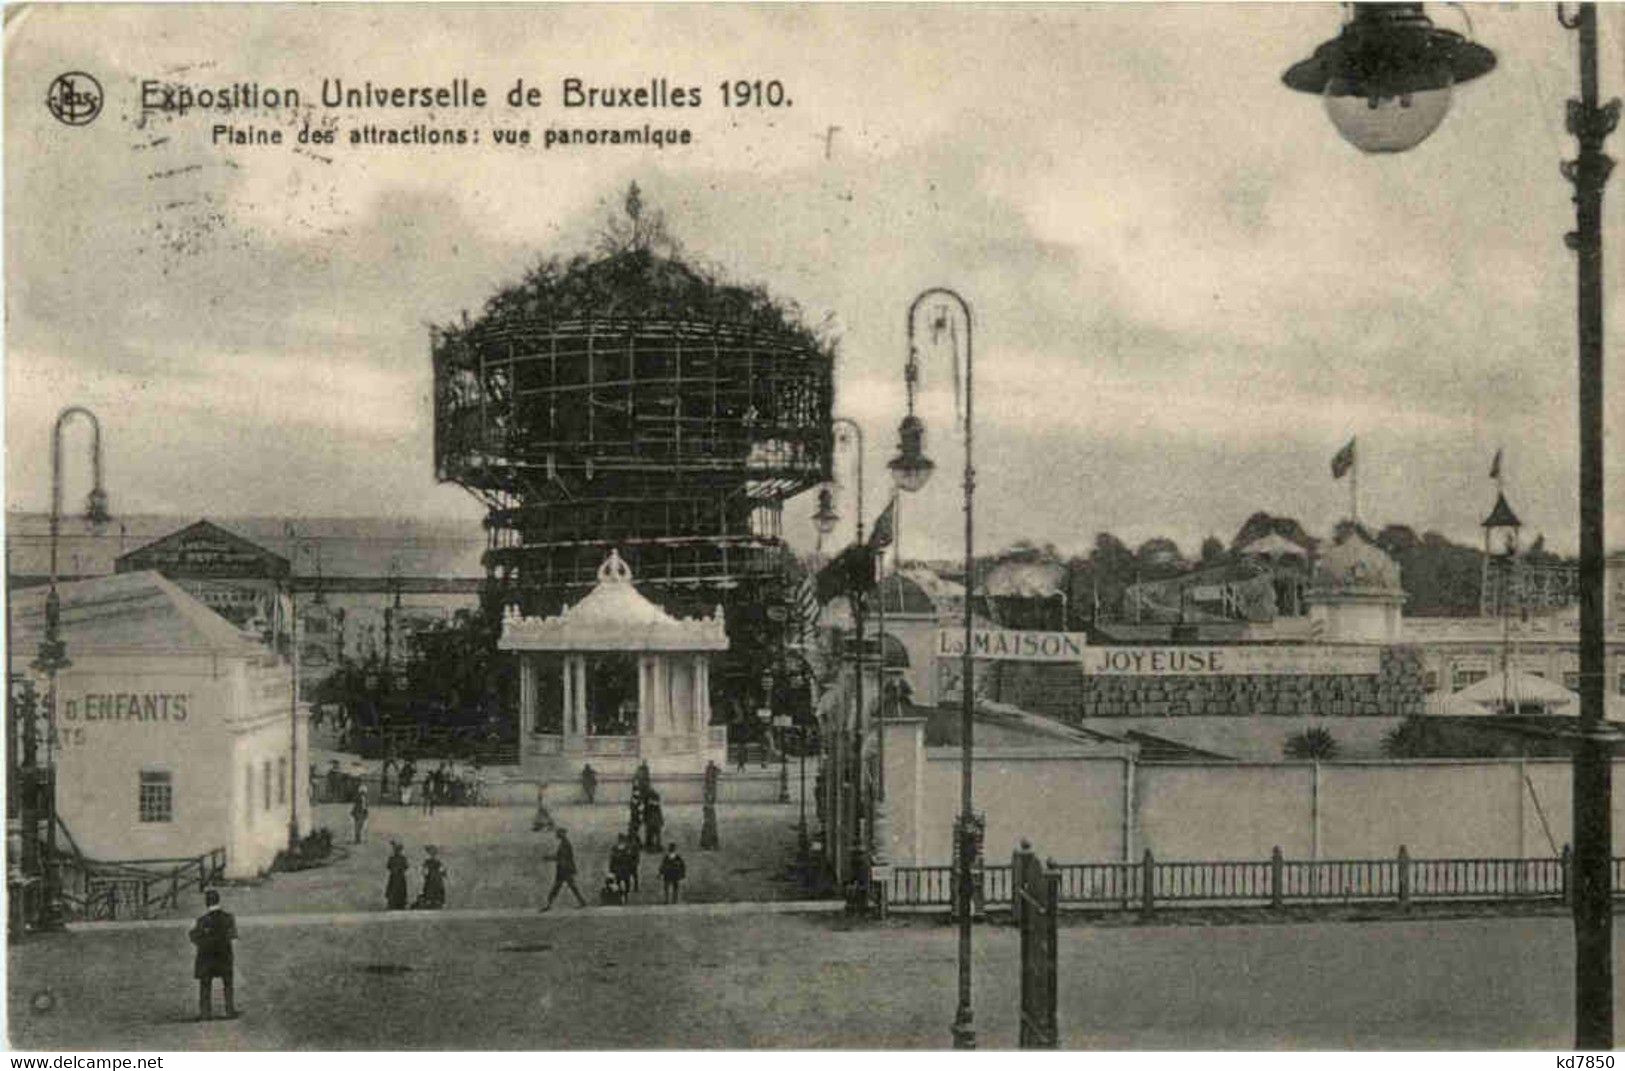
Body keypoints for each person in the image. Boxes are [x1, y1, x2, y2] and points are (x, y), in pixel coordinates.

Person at [189, 889, 238, 1020]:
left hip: (207, 958)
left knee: (205, 984)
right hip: (224, 956)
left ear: (206, 903)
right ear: (218, 900)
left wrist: (204, 943)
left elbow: (193, 936)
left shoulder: (202, 920)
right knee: (228, 983)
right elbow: (233, 935)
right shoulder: (229, 918)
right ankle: (229, 1010)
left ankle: (205, 1013)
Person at [539, 827, 586, 911]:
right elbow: (561, 857)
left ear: (562, 834)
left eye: (558, 833)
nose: (556, 834)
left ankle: (548, 905)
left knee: (558, 887)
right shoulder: (564, 843)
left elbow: (561, 857)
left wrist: (549, 858)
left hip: (564, 870)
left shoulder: (565, 844)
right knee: (570, 887)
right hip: (564, 869)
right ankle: (582, 902)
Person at [385, 841, 409, 910]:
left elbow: (406, 866)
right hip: (394, 876)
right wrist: (393, 869)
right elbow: (388, 866)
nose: (397, 852)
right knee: (393, 890)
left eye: (398, 850)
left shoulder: (402, 858)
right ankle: (392, 903)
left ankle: (401, 903)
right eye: (396, 850)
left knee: (400, 890)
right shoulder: (392, 858)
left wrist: (400, 869)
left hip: (400, 877)